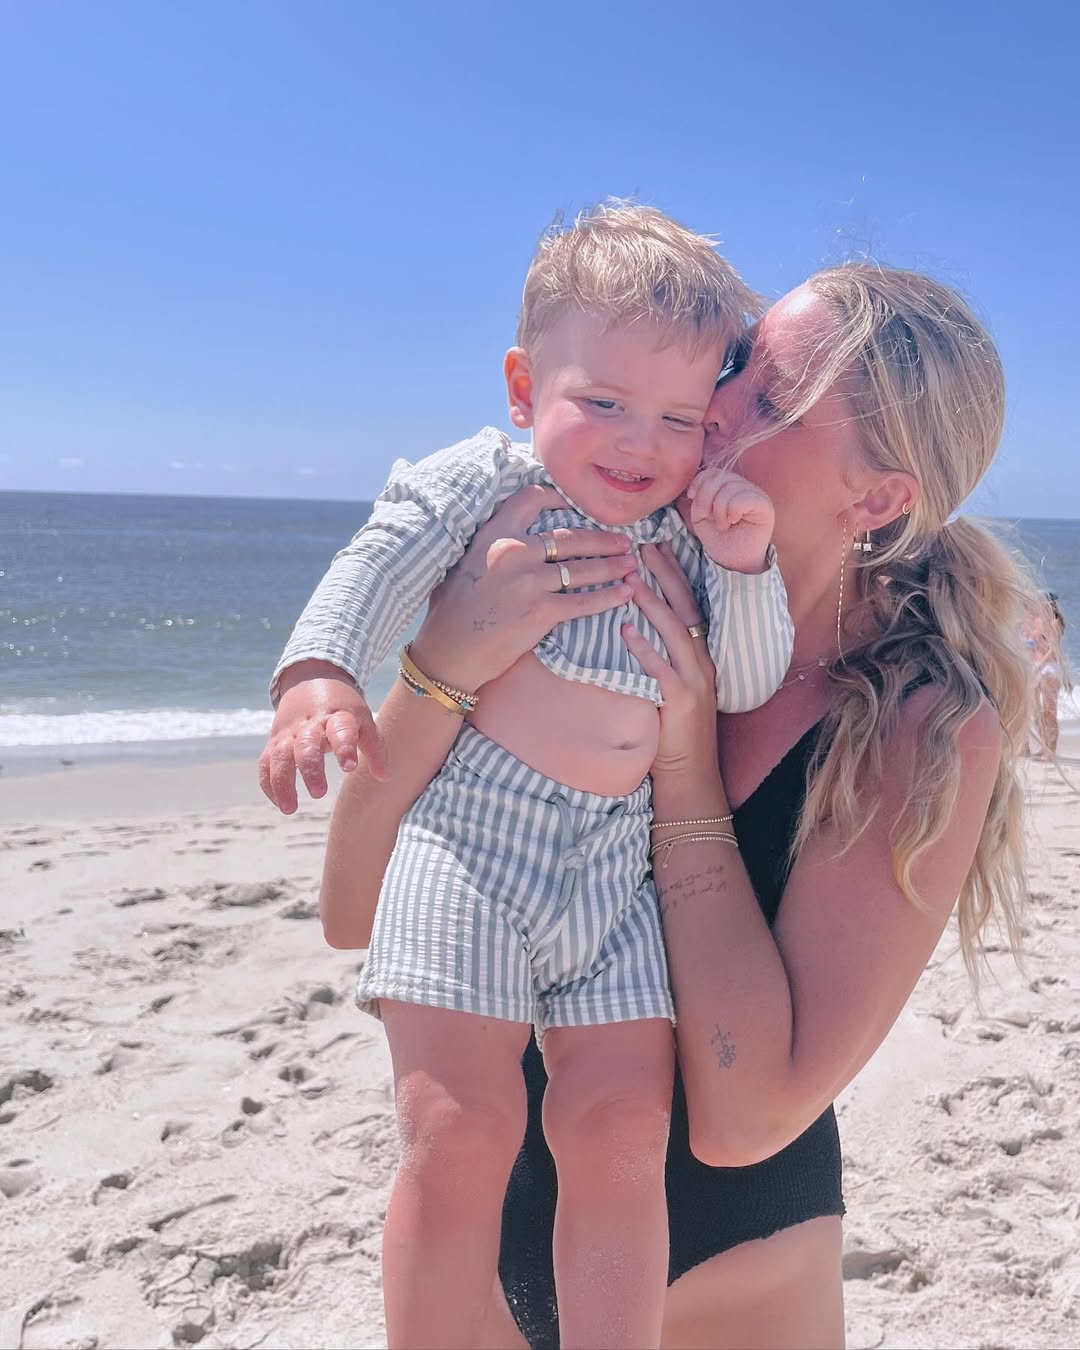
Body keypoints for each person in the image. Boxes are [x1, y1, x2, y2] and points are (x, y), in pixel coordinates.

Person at [263, 260, 1039, 1350]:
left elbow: (746, 1116)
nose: (714, 402)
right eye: (738, 361)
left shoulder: (915, 723)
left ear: (875, 500)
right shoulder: (596, 571)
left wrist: (684, 763)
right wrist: (442, 668)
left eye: (772, 398)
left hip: (728, 1301)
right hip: (496, 1270)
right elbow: (354, 910)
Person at [261, 203, 795, 1349]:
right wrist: (317, 676)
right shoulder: (484, 481)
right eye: (602, 402)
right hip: (470, 849)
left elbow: (746, 683)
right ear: (521, 387)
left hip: (614, 872)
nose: (640, 442)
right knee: (457, 1126)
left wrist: (747, 564)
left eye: (679, 418)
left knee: (621, 1129)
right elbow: (377, 559)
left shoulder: (690, 530)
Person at [1024, 592, 1068, 756]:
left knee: (1049, 711)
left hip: (1050, 667)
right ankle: (1042, 745)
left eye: (1045, 602)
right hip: (1035, 665)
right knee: (1035, 711)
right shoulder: (1035, 621)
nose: (1042, 604)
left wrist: (1040, 665)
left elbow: (1054, 648)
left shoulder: (1056, 622)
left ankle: (1051, 750)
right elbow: (1030, 644)